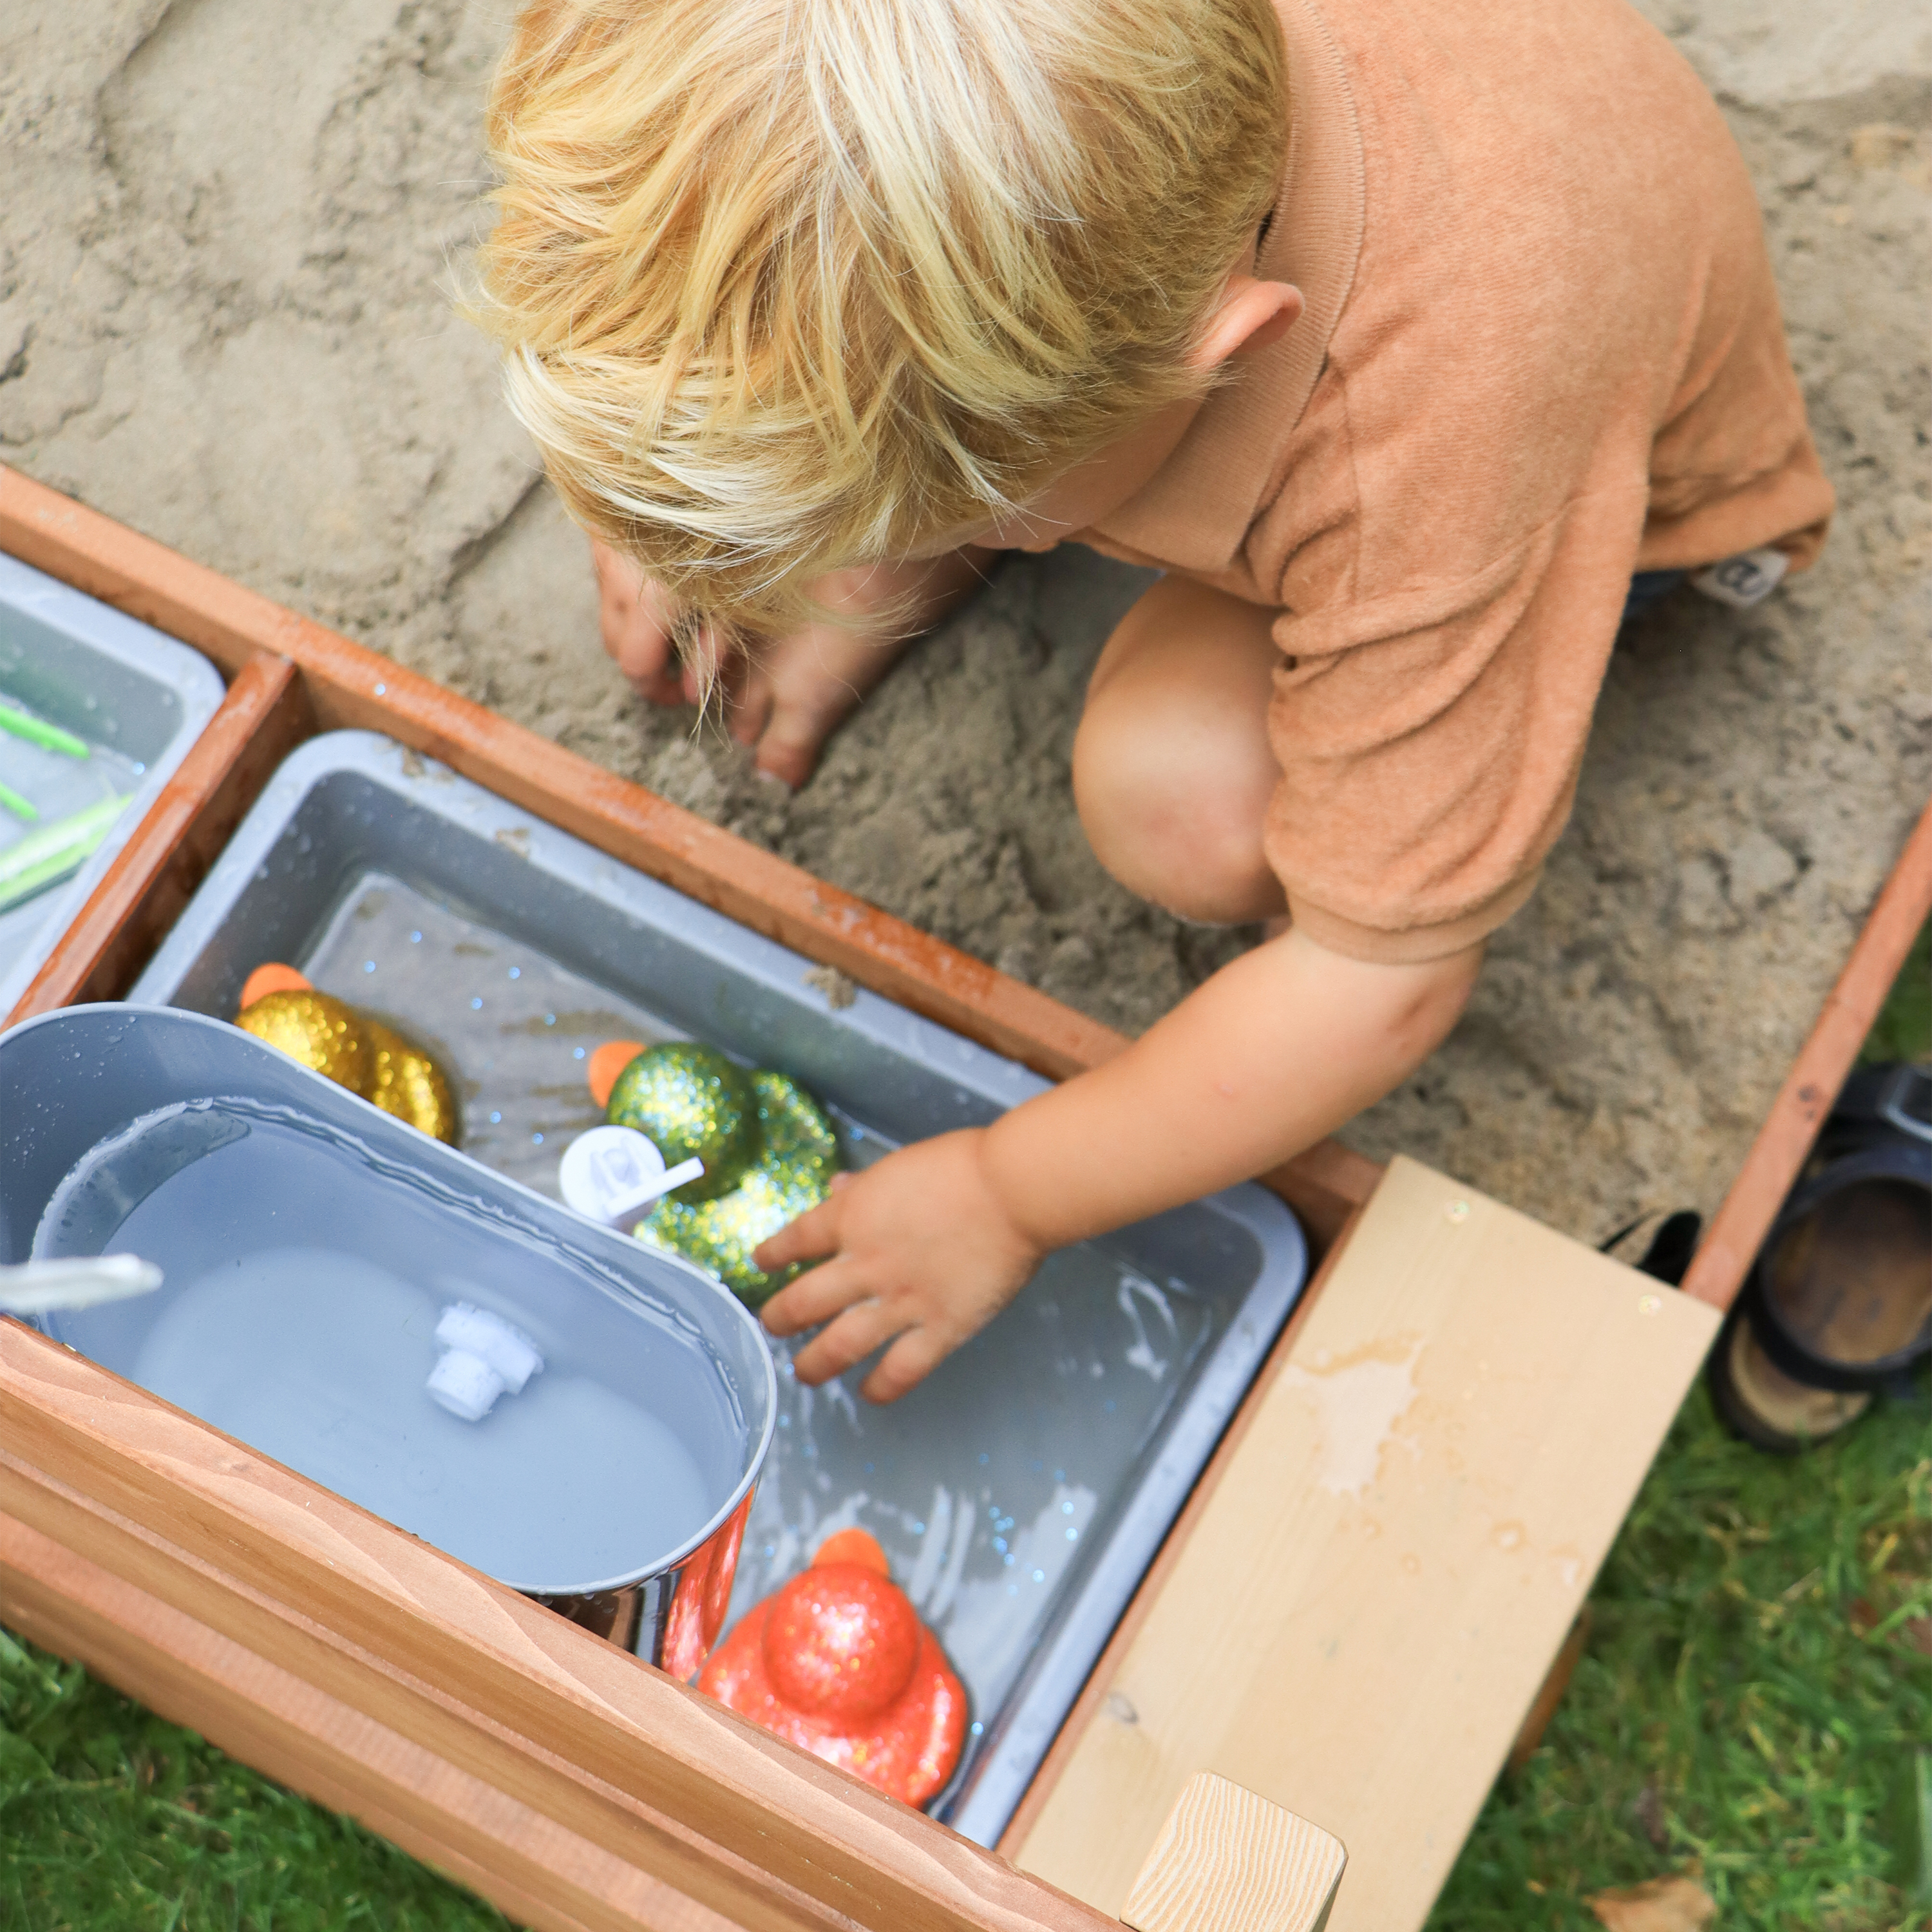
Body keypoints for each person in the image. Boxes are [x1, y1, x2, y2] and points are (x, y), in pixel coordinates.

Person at [473, 0, 1832, 1401]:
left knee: (1179, 796)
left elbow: (1382, 981)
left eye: (966, 514)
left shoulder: (1414, 459)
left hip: (1599, 487)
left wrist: (1010, 1190)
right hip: (1286, 289)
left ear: (1224, 353)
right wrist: (696, 497)